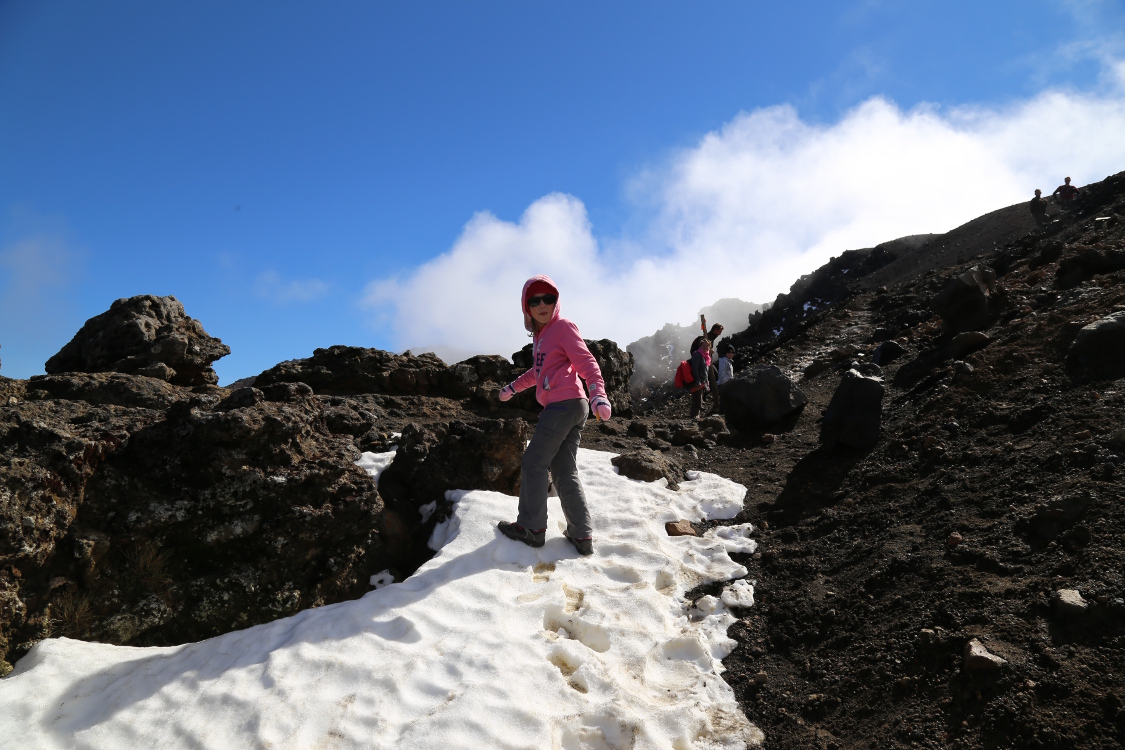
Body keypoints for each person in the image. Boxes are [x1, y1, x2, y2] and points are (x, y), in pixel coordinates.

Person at [496, 275, 612, 556]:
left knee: (534, 462)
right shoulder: (541, 337)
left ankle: (531, 528)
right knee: (563, 469)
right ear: (527, 307)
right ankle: (581, 535)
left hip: (565, 403)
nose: (542, 304)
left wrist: (599, 393)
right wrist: (513, 388)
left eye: (548, 298)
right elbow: (538, 373)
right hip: (571, 405)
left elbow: (586, 362)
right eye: (534, 300)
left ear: (556, 301)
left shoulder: (562, 327)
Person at [690, 323, 724, 406]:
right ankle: (699, 403)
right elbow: (700, 351)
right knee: (708, 380)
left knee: (713, 379)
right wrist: (709, 352)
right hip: (701, 363)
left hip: (706, 362)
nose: (720, 333)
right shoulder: (705, 338)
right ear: (715, 330)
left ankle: (702, 401)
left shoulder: (711, 338)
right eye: (719, 331)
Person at [689, 337, 711, 419]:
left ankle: (696, 418)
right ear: (700, 346)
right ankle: (694, 419)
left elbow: (705, 372)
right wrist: (697, 381)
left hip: (702, 381)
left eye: (707, 346)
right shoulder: (697, 355)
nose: (705, 347)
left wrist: (706, 383)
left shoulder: (706, 357)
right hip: (697, 381)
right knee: (697, 400)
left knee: (699, 400)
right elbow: (694, 368)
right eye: (704, 345)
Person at [712, 344, 734, 414]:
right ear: (725, 353)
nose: (730, 354)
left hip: (727, 383)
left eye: (732, 352)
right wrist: (725, 384)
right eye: (729, 352)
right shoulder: (723, 361)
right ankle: (722, 413)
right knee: (725, 399)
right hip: (723, 384)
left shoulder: (729, 361)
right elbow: (721, 373)